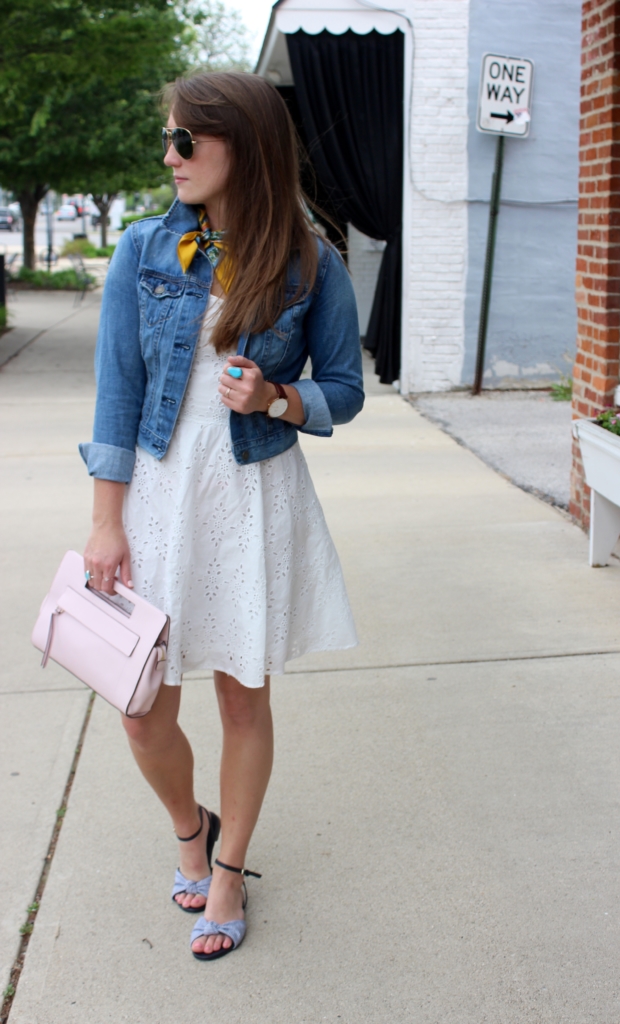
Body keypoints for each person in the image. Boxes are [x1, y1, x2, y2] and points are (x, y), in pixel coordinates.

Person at [79, 71, 364, 961]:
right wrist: (105, 520)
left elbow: (345, 391)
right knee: (137, 706)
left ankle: (230, 872)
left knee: (243, 698)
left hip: (249, 493)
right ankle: (187, 829)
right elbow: (116, 395)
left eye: (186, 141)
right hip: (160, 496)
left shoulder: (312, 260)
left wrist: (280, 398)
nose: (169, 157)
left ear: (243, 145)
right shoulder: (142, 250)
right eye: (167, 138)